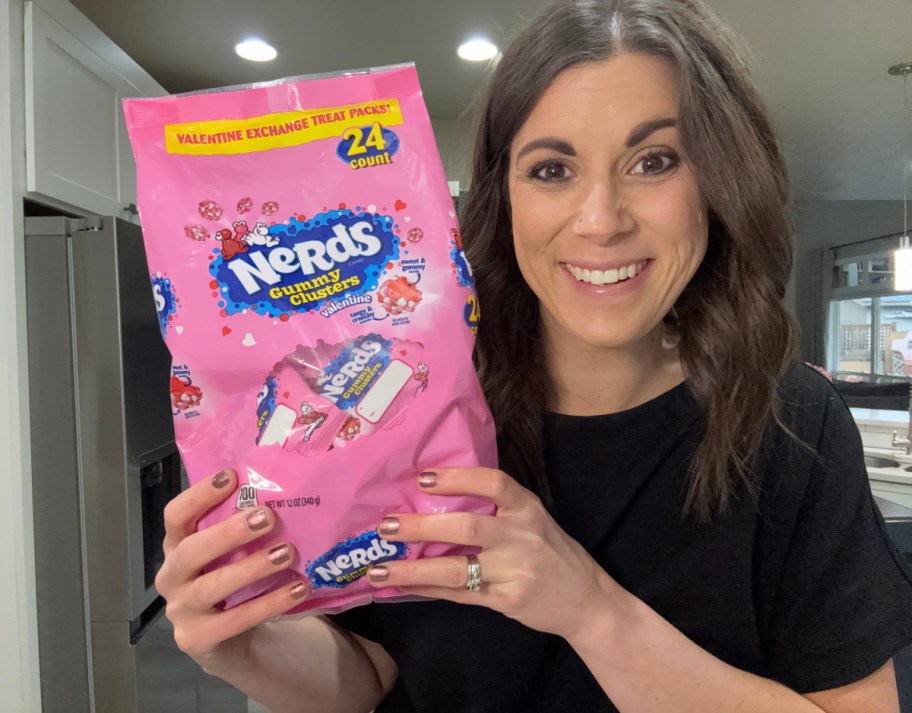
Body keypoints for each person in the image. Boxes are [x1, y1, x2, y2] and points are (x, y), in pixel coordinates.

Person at [155, 0, 912, 711]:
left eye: (653, 161)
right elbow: (372, 672)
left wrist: (591, 609)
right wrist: (244, 647)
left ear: (716, 183)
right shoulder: (421, 406)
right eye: (552, 169)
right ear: (505, 196)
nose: (601, 220)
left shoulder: (792, 427)